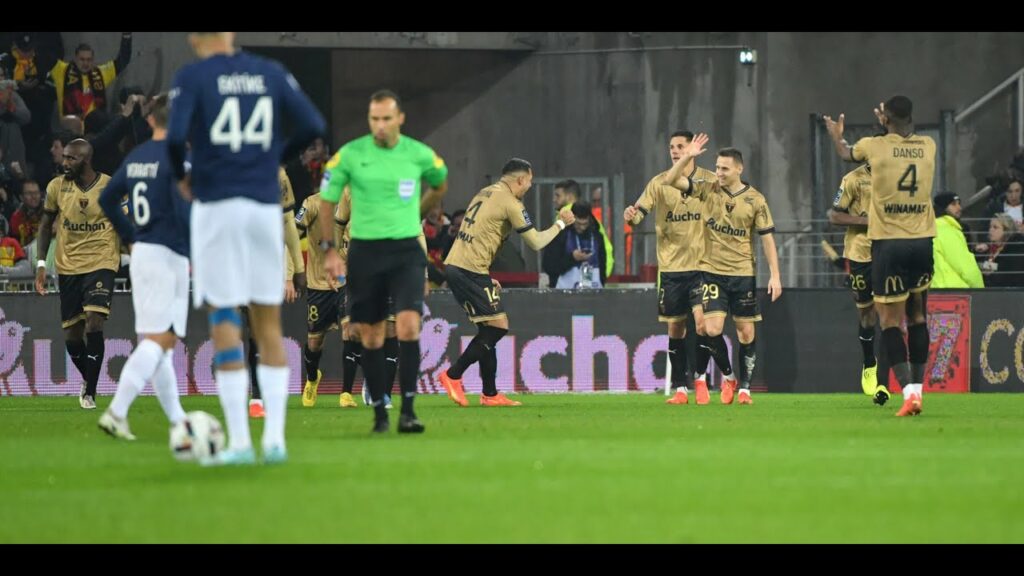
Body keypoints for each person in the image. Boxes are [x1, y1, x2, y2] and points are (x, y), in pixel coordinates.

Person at [167, 32, 326, 464]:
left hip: (217, 207)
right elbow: (313, 126)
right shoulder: (269, 72)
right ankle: (274, 439)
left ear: (195, 37)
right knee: (267, 323)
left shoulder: (193, 76)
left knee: (224, 320)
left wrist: (186, 176)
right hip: (262, 209)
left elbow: (174, 137)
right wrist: (272, 156)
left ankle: (239, 442)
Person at [319, 89, 446, 434]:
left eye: (387, 119)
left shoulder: (418, 153)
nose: (380, 125)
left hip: (406, 251)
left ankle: (408, 411)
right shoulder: (350, 155)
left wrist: (416, 212)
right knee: (371, 336)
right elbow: (327, 201)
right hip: (365, 252)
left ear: (400, 119)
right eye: (374, 119)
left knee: (407, 326)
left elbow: (440, 181)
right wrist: (329, 250)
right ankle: (379, 412)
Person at [825, 95, 937, 416]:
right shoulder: (929, 145)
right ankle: (917, 391)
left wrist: (836, 136)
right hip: (922, 240)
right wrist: (888, 123)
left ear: (884, 120)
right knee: (917, 317)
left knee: (888, 320)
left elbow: (847, 153)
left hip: (889, 243)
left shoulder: (874, 147)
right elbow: (901, 140)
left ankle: (908, 393)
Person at [439, 158, 574, 407]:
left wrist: (485, 274)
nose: (529, 187)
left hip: (463, 266)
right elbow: (536, 242)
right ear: (520, 179)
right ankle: (452, 375)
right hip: (468, 270)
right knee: (498, 327)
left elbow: (478, 234)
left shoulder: (486, 192)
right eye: (529, 182)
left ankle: (490, 394)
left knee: (488, 328)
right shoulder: (512, 203)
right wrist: (561, 223)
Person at [95, 93, 189, 440]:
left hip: (142, 254)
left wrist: (130, 236)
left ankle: (179, 420)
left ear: (150, 120)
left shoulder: (136, 157)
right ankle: (117, 411)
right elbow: (185, 208)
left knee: (156, 340)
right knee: (161, 339)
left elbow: (107, 198)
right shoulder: (179, 157)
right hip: (170, 254)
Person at [664, 136, 783, 405]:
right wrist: (687, 156)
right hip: (711, 271)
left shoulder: (755, 200)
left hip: (742, 273)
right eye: (717, 167)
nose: (719, 172)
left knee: (746, 333)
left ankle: (745, 390)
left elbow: (766, 239)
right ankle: (728, 377)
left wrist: (775, 274)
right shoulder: (707, 189)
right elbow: (671, 180)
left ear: (739, 169)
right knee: (711, 329)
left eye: (725, 168)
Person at [625, 130, 716, 404]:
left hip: (702, 265)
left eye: (680, 146)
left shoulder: (709, 180)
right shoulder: (658, 184)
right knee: (676, 329)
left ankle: (700, 380)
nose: (674, 151)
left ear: (692, 149)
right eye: (672, 147)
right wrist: (630, 216)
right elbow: (636, 217)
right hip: (672, 268)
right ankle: (679, 389)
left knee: (703, 325)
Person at [35, 139, 120, 409]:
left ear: (85, 159)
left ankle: (90, 393)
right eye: (65, 158)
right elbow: (46, 224)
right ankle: (88, 379)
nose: (65, 162)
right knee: (72, 337)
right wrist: (40, 264)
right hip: (68, 266)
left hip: (101, 261)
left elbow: (130, 220)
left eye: (71, 158)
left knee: (95, 321)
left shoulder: (110, 186)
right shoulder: (56, 187)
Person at [828, 164, 880, 396]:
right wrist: (867, 222)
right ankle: (869, 363)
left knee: (893, 309)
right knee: (866, 313)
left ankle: (904, 372)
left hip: (890, 251)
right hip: (860, 254)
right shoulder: (853, 178)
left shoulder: (898, 174)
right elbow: (834, 215)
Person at [931, 192, 983, 289]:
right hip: (953, 292)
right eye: (953, 204)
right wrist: (980, 290)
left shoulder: (933, 228)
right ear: (943, 207)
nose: (959, 208)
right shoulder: (946, 230)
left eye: (959, 203)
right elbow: (965, 266)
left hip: (937, 289)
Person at [977, 213, 1024, 287]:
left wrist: (986, 267)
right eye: (990, 227)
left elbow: (1005, 271)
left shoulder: (1016, 249)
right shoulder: (989, 248)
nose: (990, 230)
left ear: (1006, 230)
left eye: (995, 227)